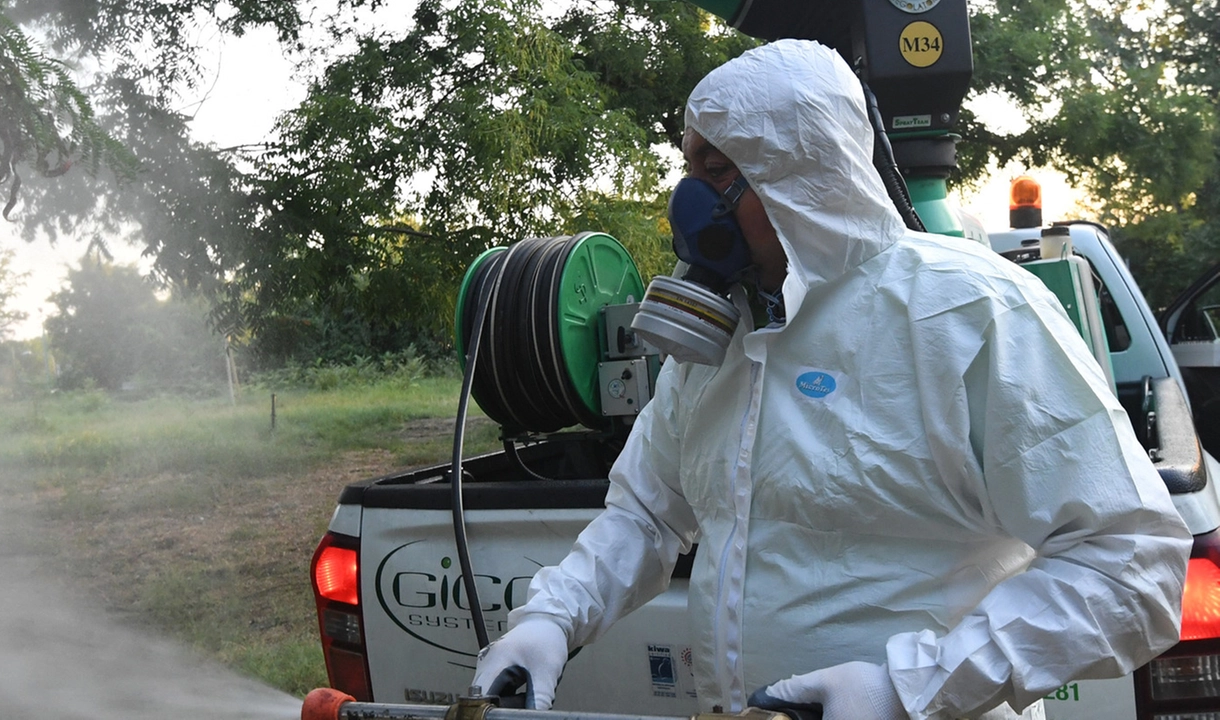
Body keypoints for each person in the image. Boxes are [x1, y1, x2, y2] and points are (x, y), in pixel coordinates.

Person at [472, 38, 1191, 720]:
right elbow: (647, 516)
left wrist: (908, 687)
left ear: (802, 175)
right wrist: (549, 621)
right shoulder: (724, 337)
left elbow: (1130, 565)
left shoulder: (969, 314)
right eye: (690, 169)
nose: (690, 203)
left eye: (719, 173)